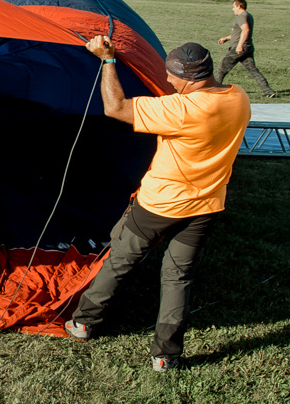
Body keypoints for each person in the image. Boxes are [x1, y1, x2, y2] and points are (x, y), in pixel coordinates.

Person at [63, 39, 250, 370]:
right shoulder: (238, 97)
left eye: (171, 76)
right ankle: (165, 355)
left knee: (121, 259)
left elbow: (115, 107)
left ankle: (84, 322)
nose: (167, 81)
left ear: (188, 78)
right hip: (205, 207)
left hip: (159, 205)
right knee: (178, 277)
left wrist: (108, 60)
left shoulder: (182, 110)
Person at [216, 0, 275, 98]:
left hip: (238, 48)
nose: (233, 9)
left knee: (221, 69)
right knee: (253, 70)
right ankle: (268, 91)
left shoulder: (242, 16)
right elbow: (239, 33)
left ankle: (213, 89)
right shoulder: (248, 15)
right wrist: (226, 38)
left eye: (234, 7)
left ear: (239, 6)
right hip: (248, 47)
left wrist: (239, 46)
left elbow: (246, 30)